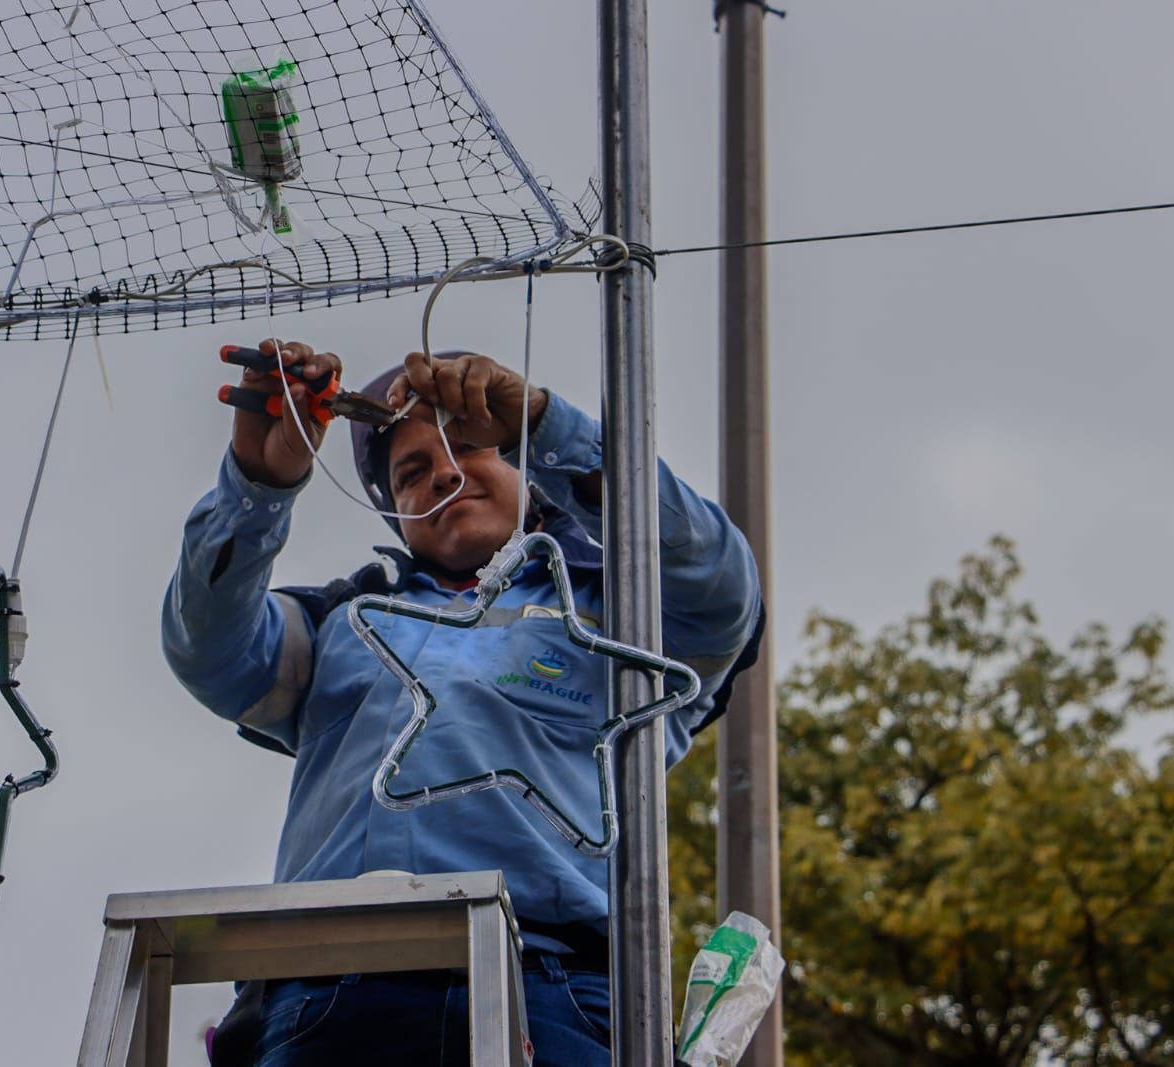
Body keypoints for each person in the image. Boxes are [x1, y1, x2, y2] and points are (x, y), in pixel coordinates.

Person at [163, 339, 764, 1067]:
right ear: (396, 513)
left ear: (524, 469)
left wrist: (546, 425)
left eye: (472, 447)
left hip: (560, 988)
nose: (445, 471)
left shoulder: (629, 613)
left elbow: (722, 588)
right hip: (331, 995)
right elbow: (210, 649)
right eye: (412, 472)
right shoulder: (342, 623)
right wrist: (259, 486)